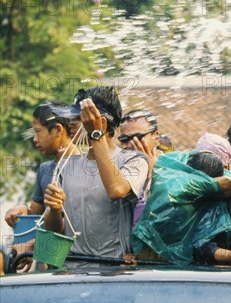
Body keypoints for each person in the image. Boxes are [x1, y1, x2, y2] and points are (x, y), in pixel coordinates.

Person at [44, 87, 149, 263]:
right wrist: (54, 210)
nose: (70, 123)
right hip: (73, 271)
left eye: (78, 118)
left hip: (114, 271)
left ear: (101, 123)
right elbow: (55, 231)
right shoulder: (67, 165)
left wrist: (95, 134)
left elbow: (116, 190)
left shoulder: (134, 160)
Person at [4, 102, 80, 228]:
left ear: (57, 130)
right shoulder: (45, 169)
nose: (34, 139)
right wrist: (21, 210)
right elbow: (37, 214)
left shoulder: (87, 167)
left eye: (37, 131)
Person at [118, 110, 161, 177]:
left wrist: (152, 174)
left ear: (156, 137)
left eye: (138, 137)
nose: (130, 144)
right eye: (124, 139)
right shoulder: (115, 166)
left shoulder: (173, 166)